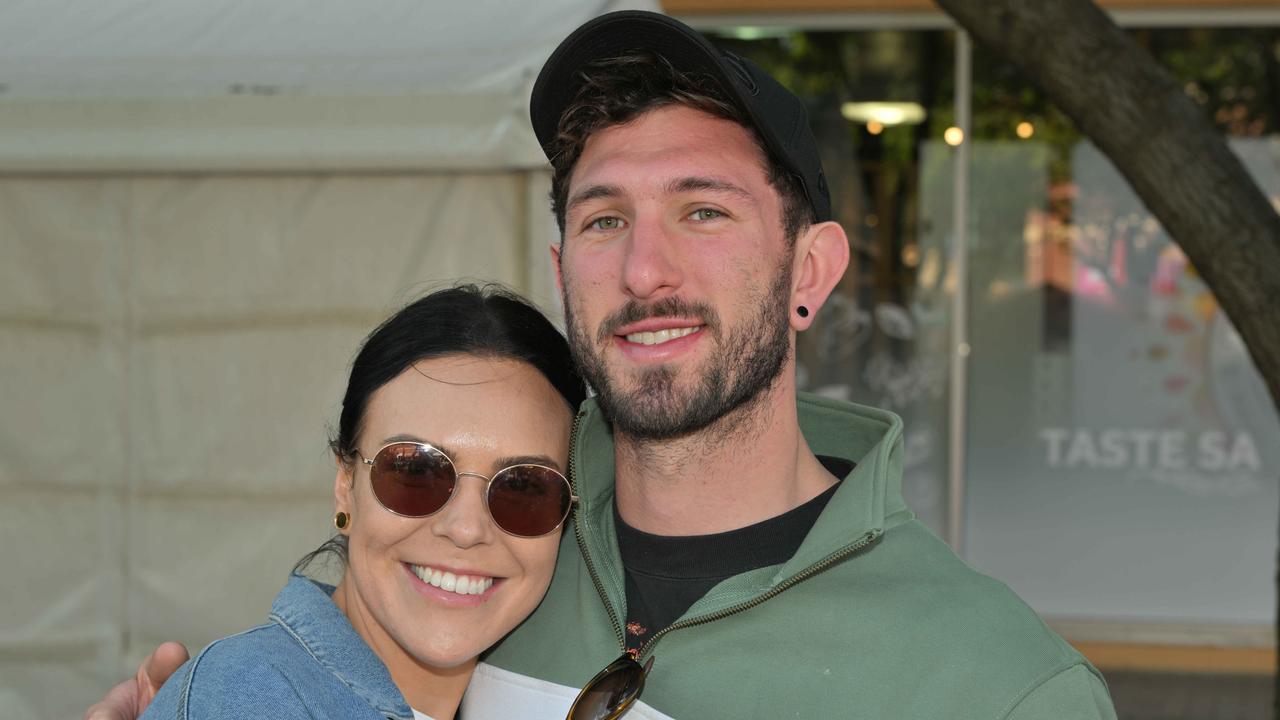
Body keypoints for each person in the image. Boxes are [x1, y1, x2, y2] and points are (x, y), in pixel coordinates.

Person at [90, 10, 1117, 720]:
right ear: (560, 268)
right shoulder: (484, 542)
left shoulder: (995, 688)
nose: (643, 267)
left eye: (702, 211)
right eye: (603, 217)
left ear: (810, 270)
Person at [129, 285, 586, 720]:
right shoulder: (249, 698)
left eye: (524, 487)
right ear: (346, 484)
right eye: (416, 470)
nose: (466, 529)